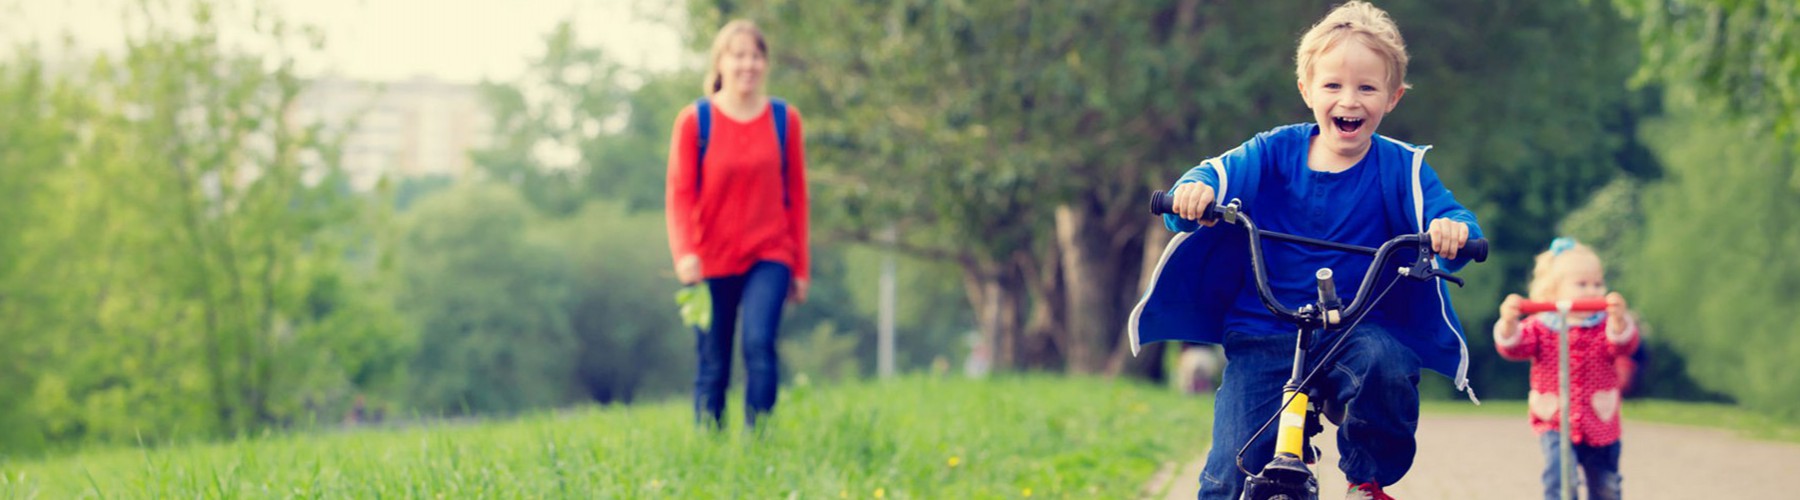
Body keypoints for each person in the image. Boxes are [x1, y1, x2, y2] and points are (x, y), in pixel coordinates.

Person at [1127, 2, 1484, 498]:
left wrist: (1452, 231)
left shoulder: (1402, 168)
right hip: (1264, 329)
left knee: (1387, 365)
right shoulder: (1273, 151)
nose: (1349, 100)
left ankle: (1366, 480)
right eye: (1333, 85)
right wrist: (1195, 193)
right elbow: (1213, 175)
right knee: (1229, 471)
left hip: (1356, 331)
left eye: (1367, 87)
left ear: (1393, 97)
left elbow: (1453, 220)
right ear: (1307, 91)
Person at [665, 19, 810, 431]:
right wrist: (685, 253)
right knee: (713, 363)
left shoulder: (785, 120)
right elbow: (679, 193)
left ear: (765, 63)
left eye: (755, 55)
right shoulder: (696, 122)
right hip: (710, 257)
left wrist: (800, 268)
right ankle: (709, 447)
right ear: (721, 63)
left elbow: (797, 197)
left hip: (770, 253)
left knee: (759, 344)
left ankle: (759, 442)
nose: (748, 64)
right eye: (738, 55)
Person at [1494, 237, 1637, 500]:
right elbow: (1513, 348)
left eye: (1598, 283)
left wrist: (1619, 319)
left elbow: (1623, 345)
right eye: (1582, 284)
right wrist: (1508, 322)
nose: (1593, 290)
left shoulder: (1604, 325)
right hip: (1555, 420)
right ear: (1553, 291)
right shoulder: (1539, 326)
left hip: (1600, 421)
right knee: (1560, 479)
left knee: (1606, 485)